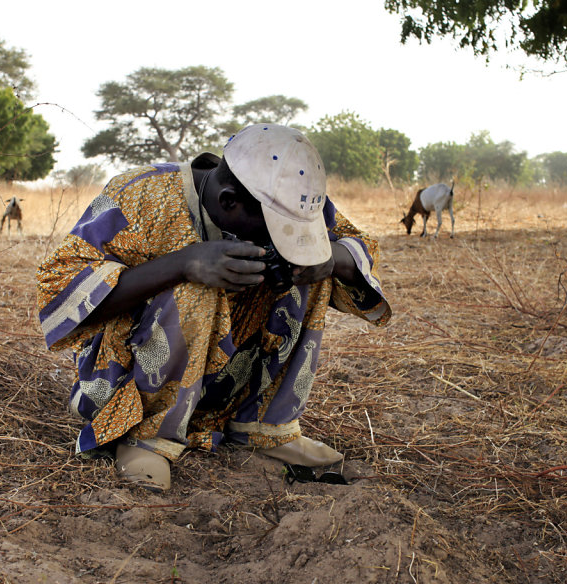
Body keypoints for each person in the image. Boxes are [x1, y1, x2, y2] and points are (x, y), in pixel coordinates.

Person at [37, 123, 391, 491]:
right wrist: (183, 263)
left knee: (315, 265)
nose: (283, 237)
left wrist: (326, 258)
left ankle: (263, 427)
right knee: (195, 286)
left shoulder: (292, 199)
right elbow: (58, 293)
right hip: (128, 379)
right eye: (276, 228)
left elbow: (357, 246)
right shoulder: (139, 194)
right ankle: (147, 436)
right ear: (228, 202)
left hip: (225, 384)